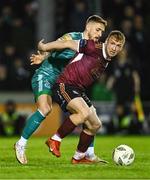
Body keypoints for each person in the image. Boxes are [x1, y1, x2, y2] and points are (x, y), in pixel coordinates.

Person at [14, 15, 107, 165]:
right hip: (46, 76)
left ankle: (88, 154)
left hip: (66, 83)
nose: (99, 34)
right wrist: (43, 56)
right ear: (88, 26)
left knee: (88, 114)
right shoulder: (72, 37)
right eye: (97, 30)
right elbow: (57, 45)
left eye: (102, 32)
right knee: (45, 108)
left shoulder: (91, 48)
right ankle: (21, 144)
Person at [37, 30, 125, 164]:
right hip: (64, 85)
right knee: (83, 113)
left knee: (95, 124)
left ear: (121, 48)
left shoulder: (107, 58)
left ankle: (80, 157)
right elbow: (67, 43)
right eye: (112, 43)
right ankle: (55, 139)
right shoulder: (93, 47)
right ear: (106, 42)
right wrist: (44, 47)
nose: (114, 48)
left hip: (78, 90)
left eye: (118, 46)